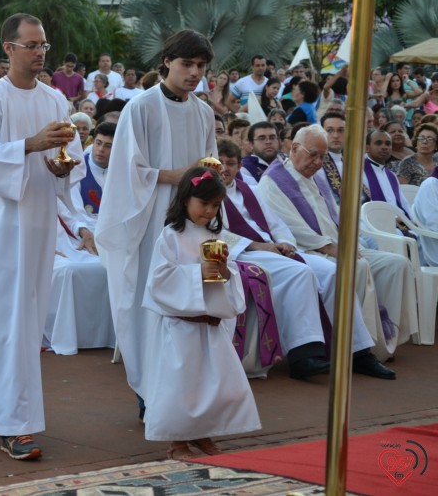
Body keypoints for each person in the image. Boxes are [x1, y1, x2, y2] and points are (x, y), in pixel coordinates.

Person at [0, 12, 83, 461]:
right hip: (3, 225)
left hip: (40, 217)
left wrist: (62, 166)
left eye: (44, 45)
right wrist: (29, 146)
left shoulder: (55, 100)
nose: (40, 53)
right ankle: (16, 424)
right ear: (8, 49)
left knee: (23, 316)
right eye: (31, 45)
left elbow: (69, 157)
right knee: (13, 317)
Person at [97, 30, 217, 420]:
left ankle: (187, 388)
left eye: (201, 66)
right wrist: (178, 176)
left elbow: (210, 165)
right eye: (187, 64)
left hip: (192, 221)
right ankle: (149, 389)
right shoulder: (141, 108)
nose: (194, 73)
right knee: (152, 302)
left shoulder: (203, 111)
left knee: (190, 299)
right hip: (150, 219)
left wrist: (205, 188)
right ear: (167, 61)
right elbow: (126, 173)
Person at [216, 139, 382, 380]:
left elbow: (276, 224)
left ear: (239, 165)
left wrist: (286, 244)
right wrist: (257, 245)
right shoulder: (207, 192)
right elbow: (213, 231)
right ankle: (303, 354)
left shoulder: (248, 189)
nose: (225, 168)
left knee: (334, 272)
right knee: (300, 273)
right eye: (219, 162)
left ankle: (358, 351)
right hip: (244, 253)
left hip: (275, 249)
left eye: (230, 163)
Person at [257, 125, 415, 364]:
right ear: (294, 148)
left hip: (337, 245)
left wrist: (351, 240)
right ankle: (355, 347)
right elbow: (291, 226)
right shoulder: (272, 181)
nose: (318, 162)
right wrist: (330, 247)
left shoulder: (316, 177)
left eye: (322, 156)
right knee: (356, 267)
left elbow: (337, 214)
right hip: (310, 250)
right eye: (313, 154)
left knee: (397, 265)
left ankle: (384, 343)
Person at [142, 166, 259, 459]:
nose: (209, 211)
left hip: (209, 324)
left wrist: (224, 271)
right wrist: (197, 275)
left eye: (215, 205)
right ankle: (177, 441)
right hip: (181, 327)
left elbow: (231, 277)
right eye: (203, 204)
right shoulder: (171, 236)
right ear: (185, 200)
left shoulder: (217, 236)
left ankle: (203, 432)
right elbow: (159, 279)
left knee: (211, 384)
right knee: (181, 384)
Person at [363, 129, 412, 216]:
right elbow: (365, 205)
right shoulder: (360, 172)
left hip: (399, 224)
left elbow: (404, 204)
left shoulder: (391, 175)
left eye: (388, 144)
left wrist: (411, 221)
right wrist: (391, 220)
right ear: (367, 148)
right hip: (375, 223)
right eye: (378, 143)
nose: (384, 147)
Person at [75, 121, 113, 216]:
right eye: (98, 143)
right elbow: (73, 212)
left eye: (108, 146)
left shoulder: (123, 171)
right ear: (93, 141)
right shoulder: (77, 168)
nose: (101, 149)